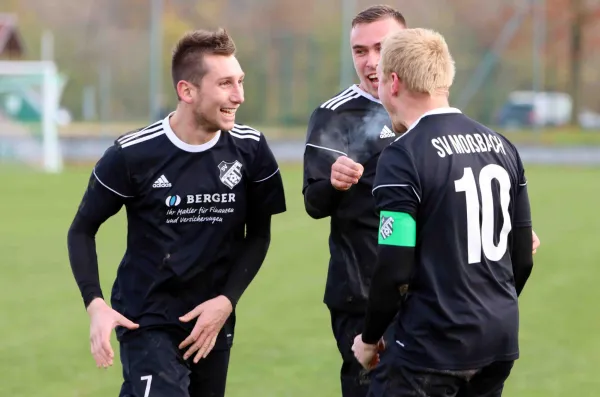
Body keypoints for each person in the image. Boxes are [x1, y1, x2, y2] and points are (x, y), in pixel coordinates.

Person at [302, 5, 540, 396]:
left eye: (382, 48)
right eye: (360, 51)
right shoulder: (498, 142)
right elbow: (521, 254)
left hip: (425, 319)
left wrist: (373, 335)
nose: (371, 62)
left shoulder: (409, 148)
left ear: (397, 71)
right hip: (393, 302)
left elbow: (397, 261)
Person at [67, 28, 286, 397]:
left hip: (211, 321)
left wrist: (226, 301)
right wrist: (95, 303)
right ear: (187, 91)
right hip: (147, 319)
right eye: (226, 84)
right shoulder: (132, 154)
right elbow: (82, 229)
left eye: (241, 81)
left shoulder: (251, 149)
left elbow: (259, 235)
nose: (239, 96)